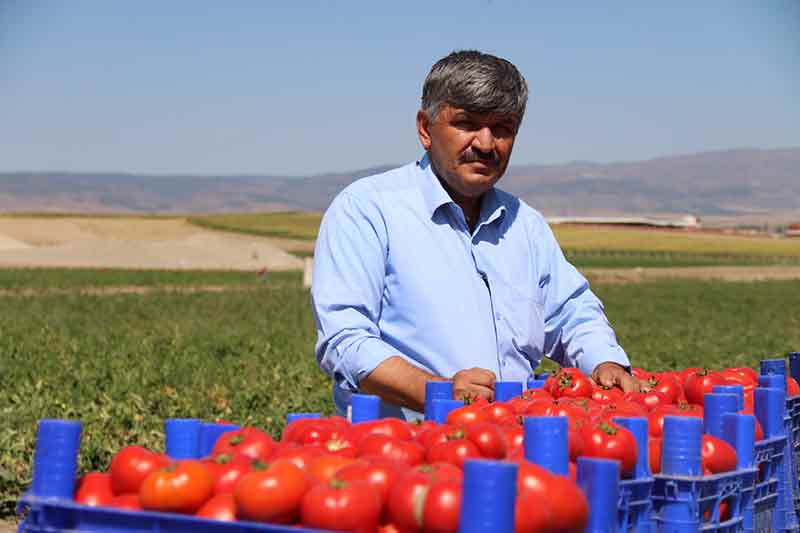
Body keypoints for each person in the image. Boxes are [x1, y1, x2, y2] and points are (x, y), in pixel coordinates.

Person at [311, 50, 643, 420]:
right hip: (405, 453)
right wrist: (437, 392)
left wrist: (605, 360)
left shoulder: (524, 224)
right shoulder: (369, 210)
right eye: (466, 124)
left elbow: (571, 313)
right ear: (425, 129)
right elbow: (345, 341)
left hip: (514, 442)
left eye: (502, 128)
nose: (486, 144)